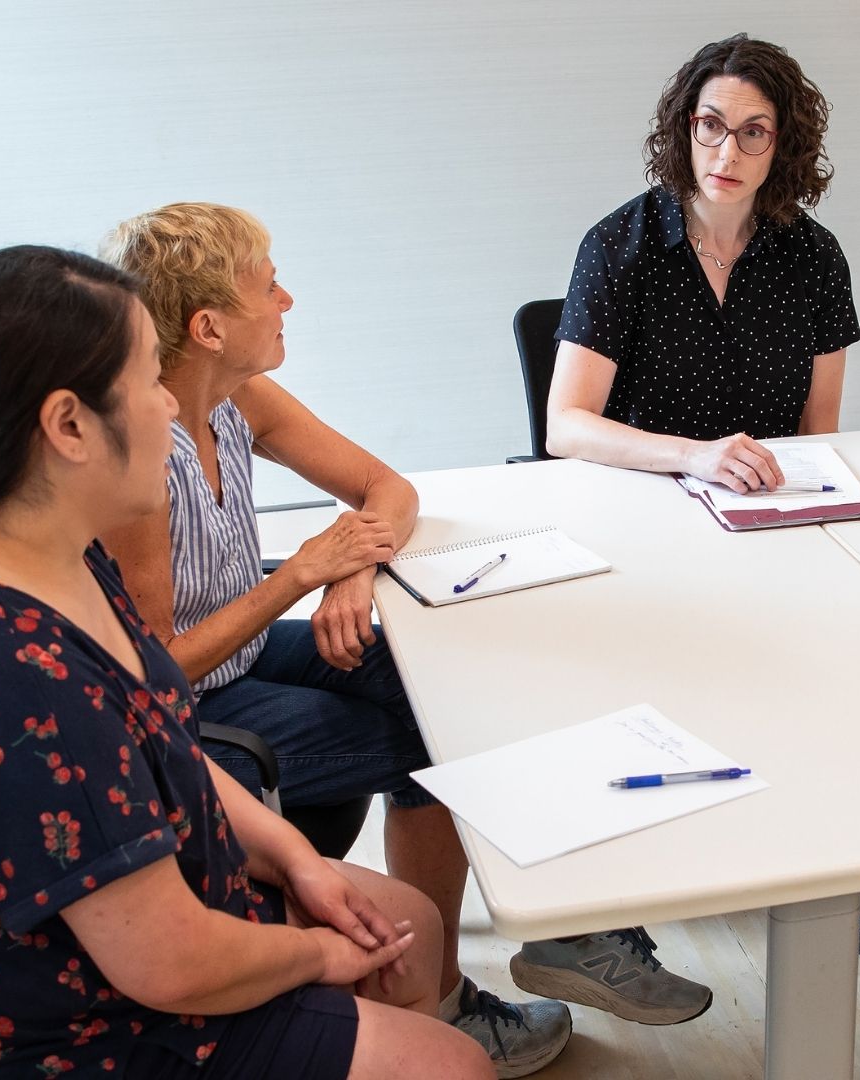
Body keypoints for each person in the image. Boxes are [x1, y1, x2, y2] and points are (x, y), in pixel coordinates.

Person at [0, 245, 492, 1079]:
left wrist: (297, 862)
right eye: (153, 380)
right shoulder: (2, 672)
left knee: (405, 924)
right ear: (69, 426)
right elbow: (168, 964)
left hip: (124, 933)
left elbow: (167, 742)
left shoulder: (35, 547)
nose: (170, 407)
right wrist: (314, 960)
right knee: (449, 1060)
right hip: (52, 1030)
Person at [97, 203, 573, 1071]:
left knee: (444, 683)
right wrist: (298, 579)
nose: (288, 298)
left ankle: (503, 954)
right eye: (267, 285)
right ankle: (449, 1001)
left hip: (241, 655)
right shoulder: (144, 460)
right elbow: (152, 678)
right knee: (442, 743)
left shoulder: (237, 394)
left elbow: (384, 487)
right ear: (207, 327)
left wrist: (351, 569)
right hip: (188, 716)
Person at [541, 33, 860, 974]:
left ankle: (847, 873)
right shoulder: (620, 245)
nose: (728, 153)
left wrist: (790, 503)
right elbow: (567, 424)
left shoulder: (815, 258)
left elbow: (818, 429)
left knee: (847, 656)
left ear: (781, 147)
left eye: (754, 134)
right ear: (684, 128)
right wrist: (694, 458)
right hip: (645, 516)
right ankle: (640, 877)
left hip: (769, 517)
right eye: (712, 126)